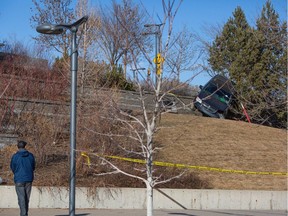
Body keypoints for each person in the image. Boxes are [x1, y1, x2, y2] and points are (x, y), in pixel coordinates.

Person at [10, 140, 36, 216]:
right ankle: (25, 213)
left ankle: (23, 214)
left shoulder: (15, 156)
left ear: (18, 147)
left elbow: (12, 167)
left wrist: (17, 173)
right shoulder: (31, 155)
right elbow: (33, 166)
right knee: (26, 199)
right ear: (24, 146)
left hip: (19, 179)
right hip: (28, 179)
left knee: (21, 198)